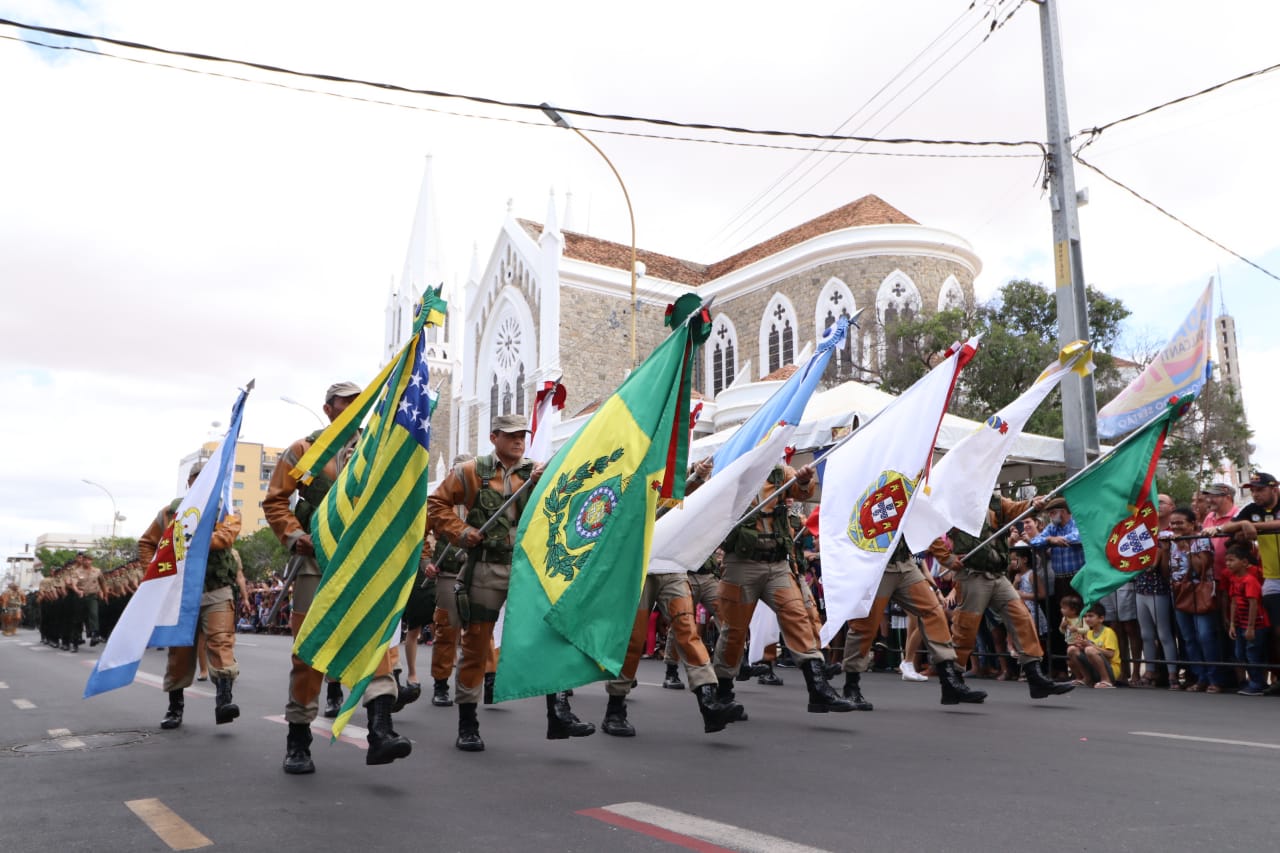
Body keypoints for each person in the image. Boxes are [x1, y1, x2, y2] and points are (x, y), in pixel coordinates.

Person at [264, 381, 411, 773]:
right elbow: (276, 500)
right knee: (309, 650)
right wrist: (296, 536)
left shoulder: (377, 448)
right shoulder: (303, 450)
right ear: (328, 409)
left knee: (372, 638)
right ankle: (298, 736)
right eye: (344, 404)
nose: (352, 410)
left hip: (361, 560)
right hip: (316, 560)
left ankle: (381, 729)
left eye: (358, 404)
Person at [427, 413, 594, 752]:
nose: (518, 440)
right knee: (475, 646)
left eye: (522, 435)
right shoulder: (472, 471)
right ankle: (468, 723)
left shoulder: (537, 471)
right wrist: (461, 532)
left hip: (527, 568)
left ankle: (559, 711)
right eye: (511, 435)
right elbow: (436, 503)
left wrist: (547, 485)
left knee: (551, 636)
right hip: (485, 569)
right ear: (494, 437)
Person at [599, 458, 743, 738]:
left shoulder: (672, 474)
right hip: (637, 568)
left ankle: (709, 703)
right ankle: (615, 708)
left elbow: (690, 504)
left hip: (671, 566)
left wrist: (698, 478)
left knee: (688, 630)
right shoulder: (627, 473)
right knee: (632, 639)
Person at [715, 462, 854, 715]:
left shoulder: (780, 471)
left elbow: (803, 492)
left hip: (777, 564)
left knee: (797, 617)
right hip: (741, 564)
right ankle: (723, 692)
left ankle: (818, 689)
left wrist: (804, 479)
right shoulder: (734, 468)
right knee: (734, 630)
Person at [138, 462, 249, 729]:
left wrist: (185, 538)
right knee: (180, 652)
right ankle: (175, 707)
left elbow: (224, 538)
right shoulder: (169, 513)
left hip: (216, 590)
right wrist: (152, 576)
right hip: (180, 593)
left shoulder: (226, 511)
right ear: (189, 483)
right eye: (198, 480)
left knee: (220, 642)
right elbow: (146, 543)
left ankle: (224, 701)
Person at [938, 494, 1074, 699]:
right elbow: (928, 527)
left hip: (997, 574)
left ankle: (1035, 677)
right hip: (971, 573)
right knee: (966, 627)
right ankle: (952, 682)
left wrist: (1032, 505)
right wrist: (945, 557)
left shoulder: (993, 500)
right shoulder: (953, 499)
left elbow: (1015, 509)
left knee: (1022, 618)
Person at [1210, 472, 1280, 671]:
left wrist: (1253, 526)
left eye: (1261, 490)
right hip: (1272, 577)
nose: (1256, 494)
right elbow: (1228, 526)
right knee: (1276, 631)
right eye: (1253, 491)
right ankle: (1275, 676)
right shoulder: (1252, 509)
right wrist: (1243, 523)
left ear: (1274, 489)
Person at [1166, 507, 1220, 692]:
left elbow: (1201, 567)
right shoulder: (1172, 542)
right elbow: (1169, 570)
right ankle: (1200, 677)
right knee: (1188, 638)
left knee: (1205, 636)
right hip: (1180, 592)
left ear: (1192, 523)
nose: (1175, 527)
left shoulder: (1201, 540)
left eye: (1180, 523)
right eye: (1173, 523)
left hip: (1199, 591)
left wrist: (1186, 548)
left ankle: (1214, 678)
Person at [1224, 544, 1271, 696]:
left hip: (1255, 625)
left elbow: (1254, 604)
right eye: (1227, 560)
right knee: (1240, 654)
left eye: (1232, 560)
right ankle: (1255, 682)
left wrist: (1250, 628)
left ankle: (1257, 683)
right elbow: (1233, 602)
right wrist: (1232, 624)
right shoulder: (1233, 579)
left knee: (1253, 653)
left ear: (1244, 562)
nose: (1228, 564)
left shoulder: (1250, 580)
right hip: (1240, 624)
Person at [1067, 604, 1118, 688]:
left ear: (1101, 619)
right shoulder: (1089, 632)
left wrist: (1090, 646)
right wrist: (1081, 646)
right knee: (1072, 649)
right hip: (1095, 668)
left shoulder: (1108, 632)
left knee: (1090, 650)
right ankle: (1086, 678)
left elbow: (1110, 654)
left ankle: (1107, 680)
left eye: (1091, 616)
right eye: (1085, 616)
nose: (1087, 619)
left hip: (1111, 670)